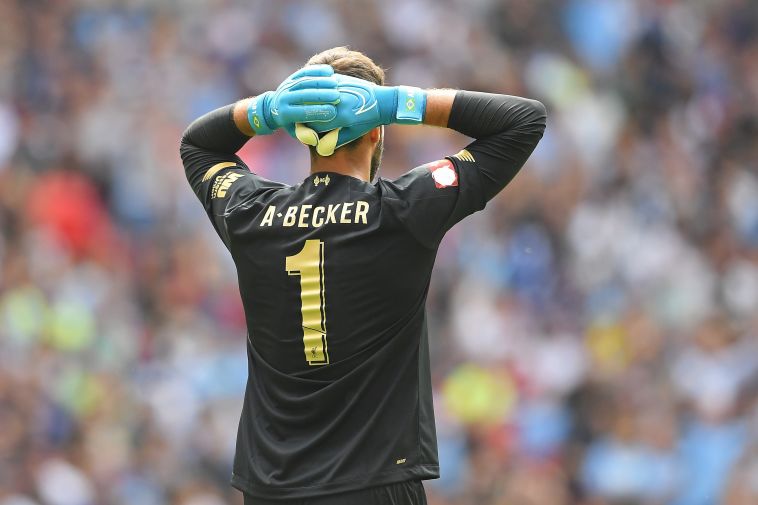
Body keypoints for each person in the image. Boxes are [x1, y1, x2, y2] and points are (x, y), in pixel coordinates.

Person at [179, 46, 546, 505]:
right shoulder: (401, 211)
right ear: (375, 132)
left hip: (273, 487)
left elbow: (197, 144)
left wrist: (266, 110)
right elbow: (523, 120)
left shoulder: (251, 213)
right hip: (375, 484)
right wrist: (396, 103)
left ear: (301, 130)